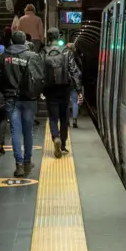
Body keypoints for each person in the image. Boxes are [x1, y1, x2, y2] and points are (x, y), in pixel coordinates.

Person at [0, 30, 41, 177]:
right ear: (24, 42)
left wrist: (6, 90)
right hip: (29, 99)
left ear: (12, 41)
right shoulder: (32, 56)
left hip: (11, 98)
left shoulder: (3, 57)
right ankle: (27, 162)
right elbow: (40, 77)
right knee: (28, 131)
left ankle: (18, 165)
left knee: (15, 131)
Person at [41, 29, 82, 158]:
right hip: (65, 89)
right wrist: (79, 90)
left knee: (53, 117)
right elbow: (74, 71)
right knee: (64, 117)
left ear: (48, 37)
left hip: (50, 89)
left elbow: (39, 71)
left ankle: (55, 138)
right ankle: (63, 145)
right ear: (59, 36)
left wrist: (40, 90)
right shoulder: (66, 51)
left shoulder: (43, 51)